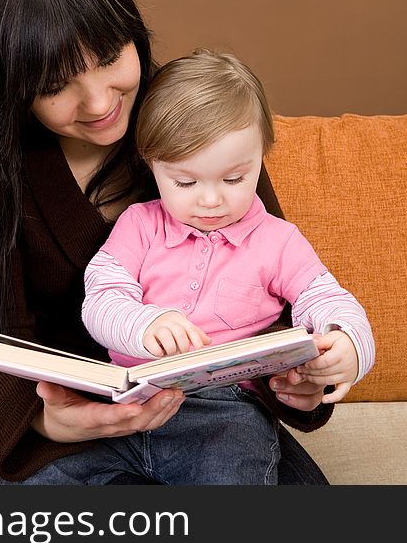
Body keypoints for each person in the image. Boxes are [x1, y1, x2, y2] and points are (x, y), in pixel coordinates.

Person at [0, 0, 337, 486]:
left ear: (133, 34)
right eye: (56, 85)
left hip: (212, 417)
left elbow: (273, 284)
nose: (98, 103)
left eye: (110, 57)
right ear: (9, 86)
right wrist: (55, 422)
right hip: (57, 438)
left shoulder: (190, 117)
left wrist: (303, 378)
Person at [78, 50, 375, 484]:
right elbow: (101, 296)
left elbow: (326, 298)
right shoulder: (139, 225)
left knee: (231, 473)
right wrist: (145, 324)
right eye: (186, 182)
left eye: (234, 179)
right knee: (38, 474)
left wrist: (347, 344)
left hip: (224, 411)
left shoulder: (277, 240)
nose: (212, 200)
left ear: (261, 155)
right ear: (151, 163)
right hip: (127, 401)